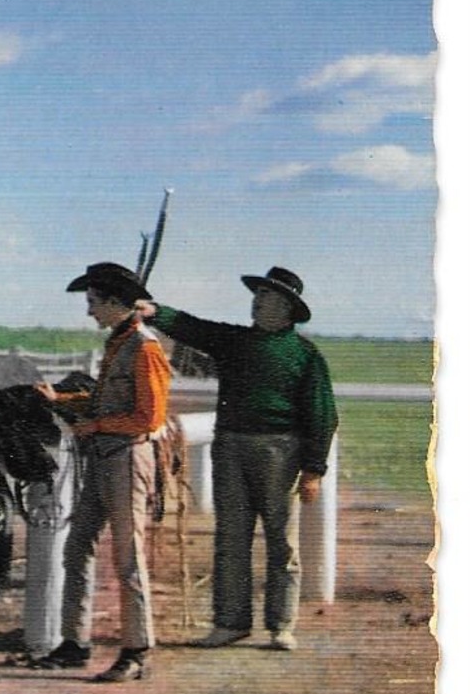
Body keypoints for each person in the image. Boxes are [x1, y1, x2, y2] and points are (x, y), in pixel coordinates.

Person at [136, 267, 337, 652]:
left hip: (281, 453)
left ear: (288, 308)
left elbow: (322, 414)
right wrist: (152, 311)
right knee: (230, 539)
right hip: (229, 447)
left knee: (282, 541)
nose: (257, 302)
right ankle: (230, 623)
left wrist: (313, 470)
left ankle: (281, 626)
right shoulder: (233, 341)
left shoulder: (306, 356)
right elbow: (191, 327)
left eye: (268, 297)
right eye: (257, 295)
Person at [33, 262, 172, 682]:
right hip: (104, 458)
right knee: (77, 548)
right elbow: (105, 400)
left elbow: (149, 418)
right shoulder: (119, 342)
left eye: (94, 302)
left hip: (128, 458)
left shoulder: (145, 348)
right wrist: (62, 397)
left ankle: (137, 650)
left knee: (127, 558)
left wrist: (91, 425)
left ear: (115, 303)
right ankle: (75, 642)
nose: (89, 311)